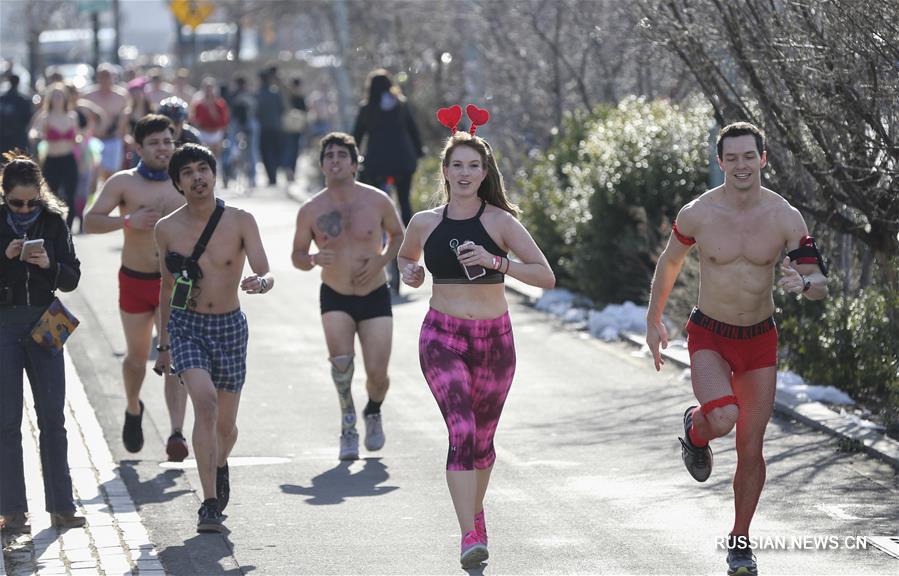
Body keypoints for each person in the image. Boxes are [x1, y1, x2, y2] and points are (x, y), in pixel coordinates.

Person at [645, 122, 828, 575]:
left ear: (763, 159)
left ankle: (740, 540)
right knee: (723, 417)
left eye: (750, 156)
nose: (741, 165)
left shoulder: (786, 217)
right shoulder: (698, 213)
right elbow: (670, 262)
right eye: (732, 157)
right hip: (710, 334)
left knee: (751, 445)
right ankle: (696, 429)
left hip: (759, 339)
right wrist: (653, 319)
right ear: (720, 161)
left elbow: (820, 283)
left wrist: (803, 282)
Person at [397, 116, 555, 568]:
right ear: (444, 172)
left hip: (495, 341)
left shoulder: (500, 222)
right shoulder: (425, 222)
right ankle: (469, 534)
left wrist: (495, 261)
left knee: (483, 441)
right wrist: (409, 273)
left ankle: (475, 515)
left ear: (485, 174)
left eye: (474, 166)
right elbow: (407, 261)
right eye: (457, 165)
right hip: (442, 336)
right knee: (461, 431)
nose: (465, 174)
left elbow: (545, 276)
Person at [153, 143, 274, 533]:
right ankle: (208, 503)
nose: (197, 177)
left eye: (202, 169)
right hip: (188, 327)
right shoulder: (166, 228)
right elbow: (167, 287)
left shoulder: (240, 220)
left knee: (225, 424)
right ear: (177, 182)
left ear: (214, 173)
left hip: (229, 327)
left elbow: (264, 270)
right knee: (204, 405)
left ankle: (220, 462)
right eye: (187, 172)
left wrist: (261, 282)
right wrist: (164, 346)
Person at [83, 114, 190, 462]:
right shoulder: (123, 183)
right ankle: (133, 407)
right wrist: (127, 220)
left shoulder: (186, 179)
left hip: (173, 283)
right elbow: (90, 221)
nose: (163, 148)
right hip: (135, 279)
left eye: (167, 141)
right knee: (136, 358)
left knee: (173, 355)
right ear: (138, 147)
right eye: (155, 142)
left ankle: (176, 432)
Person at [291, 132, 404, 461]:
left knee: (378, 374)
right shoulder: (311, 209)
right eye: (329, 156)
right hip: (335, 295)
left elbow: (398, 235)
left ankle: (373, 410)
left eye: (342, 155)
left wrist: (381, 260)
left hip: (374, 294)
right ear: (323, 164)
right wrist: (312, 260)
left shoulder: (377, 200)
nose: (335, 161)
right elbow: (296, 256)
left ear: (354, 164)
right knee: (341, 364)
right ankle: (348, 424)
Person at [0, 152, 85, 534]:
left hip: (44, 322)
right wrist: (7, 258)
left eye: (31, 201)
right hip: (4, 324)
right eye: (16, 202)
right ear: (4, 196)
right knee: (6, 421)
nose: (23, 209)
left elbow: (71, 278)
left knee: (53, 418)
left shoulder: (53, 221)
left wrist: (48, 264)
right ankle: (13, 510)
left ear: (40, 194)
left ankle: (62, 506)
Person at [353, 68, 423, 227]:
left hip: (378, 164)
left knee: (378, 203)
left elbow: (357, 135)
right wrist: (419, 152)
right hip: (403, 161)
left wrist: (353, 156)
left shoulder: (367, 108)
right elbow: (413, 130)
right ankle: (411, 243)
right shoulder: (401, 104)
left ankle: (382, 241)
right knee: (404, 202)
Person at [31, 83, 80, 229]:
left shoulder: (72, 116)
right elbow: (33, 132)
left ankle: (69, 228)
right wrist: (38, 136)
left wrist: (78, 140)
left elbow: (77, 136)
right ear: (50, 99)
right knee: (51, 195)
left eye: (60, 95)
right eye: (55, 95)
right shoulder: (45, 117)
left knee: (70, 195)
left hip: (69, 159)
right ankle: (52, 227)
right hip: (52, 160)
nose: (58, 98)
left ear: (65, 98)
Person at [83, 64, 129, 182]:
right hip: (94, 140)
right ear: (98, 77)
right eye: (102, 76)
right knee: (93, 175)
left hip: (113, 139)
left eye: (108, 76)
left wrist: (122, 134)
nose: (105, 79)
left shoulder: (121, 96)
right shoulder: (88, 96)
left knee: (113, 175)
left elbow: (125, 117)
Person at [0, 74, 34, 155]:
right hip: (19, 139)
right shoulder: (24, 100)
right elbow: (28, 119)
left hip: (3, 139)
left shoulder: (2, 99)